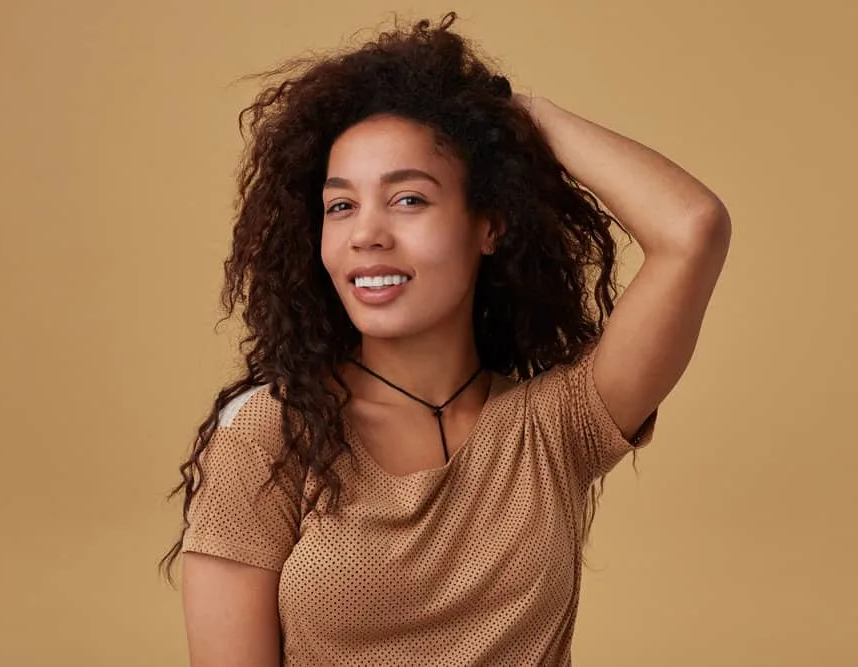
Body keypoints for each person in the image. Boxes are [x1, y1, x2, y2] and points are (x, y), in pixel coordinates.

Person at [160, 12, 731, 666]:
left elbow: (693, 228)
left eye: (408, 200)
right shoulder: (270, 434)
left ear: (488, 225)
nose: (366, 233)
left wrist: (515, 117)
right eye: (341, 205)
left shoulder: (554, 428)